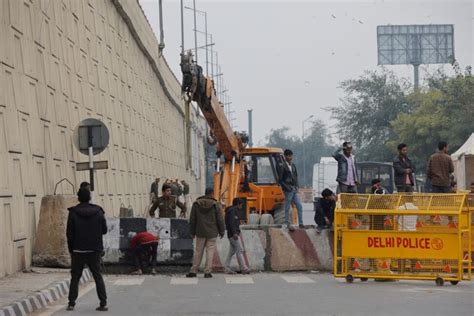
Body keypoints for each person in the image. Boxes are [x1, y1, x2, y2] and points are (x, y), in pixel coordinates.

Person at [66, 188, 108, 312]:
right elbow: (104, 230)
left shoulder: (73, 212)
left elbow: (69, 233)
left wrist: (71, 250)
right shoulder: (99, 211)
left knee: (75, 277)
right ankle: (103, 303)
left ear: (78, 197)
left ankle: (71, 303)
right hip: (94, 250)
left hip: (78, 250)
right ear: (89, 197)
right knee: (97, 276)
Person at [186, 188, 225, 278]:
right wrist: (222, 231)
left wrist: (192, 232)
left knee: (198, 251)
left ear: (205, 193)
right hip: (212, 232)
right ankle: (207, 272)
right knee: (210, 251)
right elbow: (220, 219)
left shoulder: (196, 203)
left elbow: (192, 219)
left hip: (199, 231)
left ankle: (193, 271)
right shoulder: (216, 204)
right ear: (212, 194)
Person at [278, 149, 304, 231]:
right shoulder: (282, 166)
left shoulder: (293, 166)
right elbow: (280, 180)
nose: (290, 157)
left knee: (299, 205)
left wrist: (297, 187)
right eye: (289, 156)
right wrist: (287, 188)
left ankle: (301, 223)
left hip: (294, 189)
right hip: (288, 189)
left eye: (291, 156)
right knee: (287, 206)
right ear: (285, 156)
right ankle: (287, 223)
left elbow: (296, 176)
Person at [224, 198, 250, 274]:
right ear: (238, 204)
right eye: (241, 204)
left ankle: (226, 267)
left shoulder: (231, 210)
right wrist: (234, 233)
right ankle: (244, 268)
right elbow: (232, 223)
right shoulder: (233, 211)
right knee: (240, 250)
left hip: (231, 234)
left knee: (232, 251)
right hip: (233, 234)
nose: (241, 206)